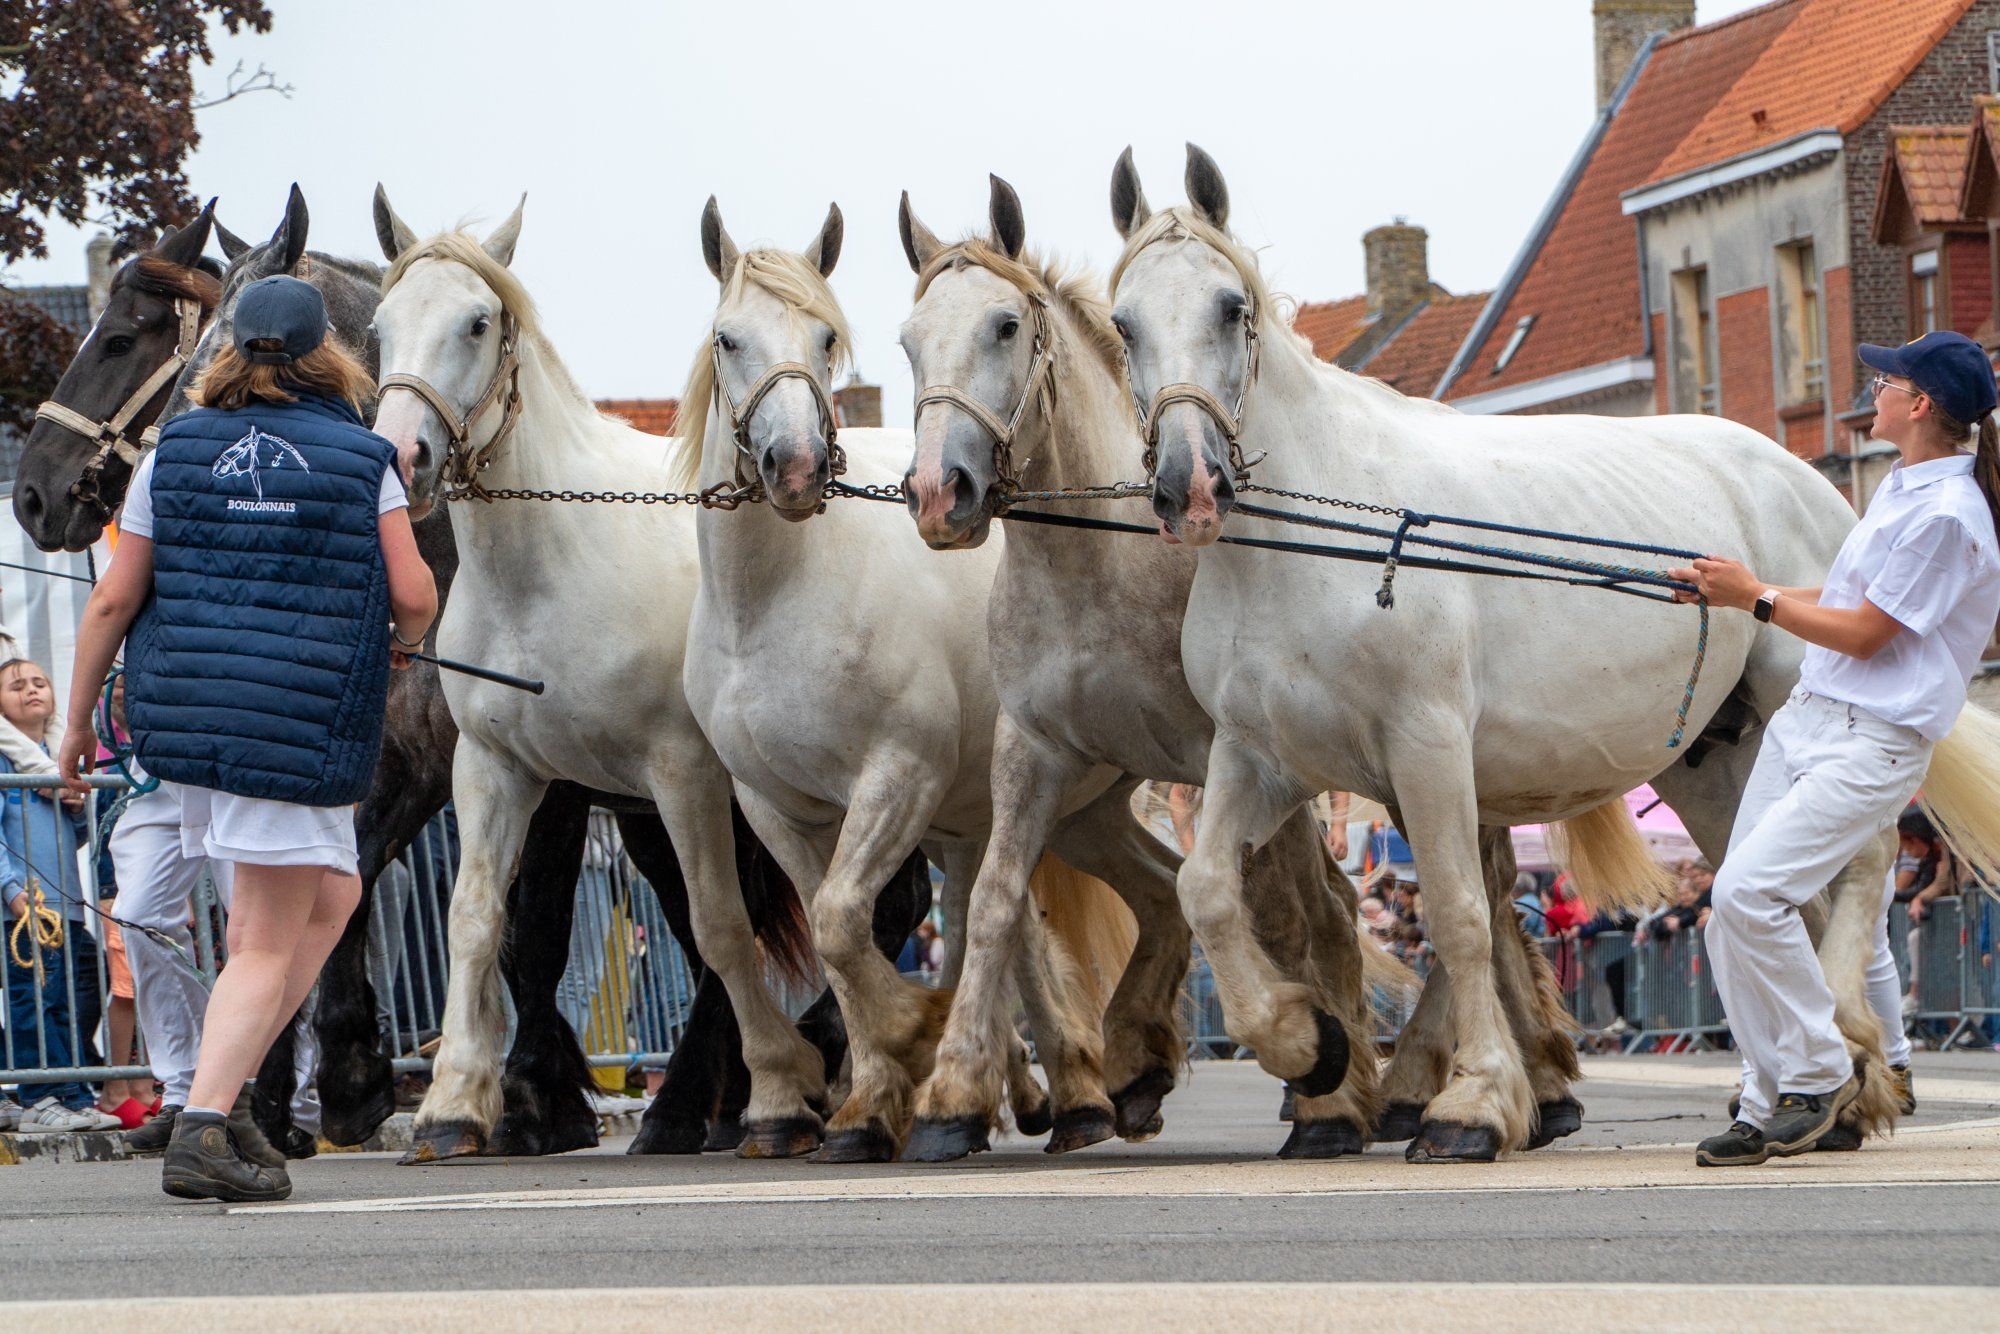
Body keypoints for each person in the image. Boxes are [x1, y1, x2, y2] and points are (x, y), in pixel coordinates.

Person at [57, 276, 437, 1202]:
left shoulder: (173, 449)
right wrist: (402, 647)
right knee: (266, 941)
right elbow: (417, 595)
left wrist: (74, 724)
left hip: (189, 719)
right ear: (328, 355)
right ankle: (205, 1128)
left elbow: (113, 596)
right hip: (295, 725)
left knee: (335, 894)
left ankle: (221, 1099)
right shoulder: (363, 457)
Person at [1673, 330, 2000, 1167]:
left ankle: (1819, 1076)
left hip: (1872, 743)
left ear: (1919, 405)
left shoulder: (1947, 517)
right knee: (1725, 921)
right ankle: (1763, 1097)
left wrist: (1756, 600)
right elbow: (1847, 595)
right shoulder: (1902, 487)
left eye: (1887, 380)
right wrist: (1736, 587)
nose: (1877, 389)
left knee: (1751, 894)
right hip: (1811, 720)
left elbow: (1863, 632)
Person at [0, 657, 119, 1134]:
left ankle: (71, 1094)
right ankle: (37, 1096)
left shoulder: (54, 760)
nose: (32, 690)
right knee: (36, 998)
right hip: (24, 909)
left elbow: (73, 836)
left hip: (63, 905)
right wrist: (11, 892)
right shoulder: (5, 761)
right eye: (15, 686)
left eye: (40, 682)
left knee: (71, 998)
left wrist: (74, 806)